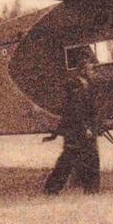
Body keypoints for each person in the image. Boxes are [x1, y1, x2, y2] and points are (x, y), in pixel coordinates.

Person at [45, 50, 101, 195]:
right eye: (91, 69)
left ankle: (54, 188)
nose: (94, 72)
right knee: (77, 159)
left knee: (71, 159)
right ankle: (89, 190)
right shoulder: (76, 86)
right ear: (83, 70)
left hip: (78, 130)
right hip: (77, 130)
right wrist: (86, 128)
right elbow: (76, 111)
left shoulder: (86, 84)